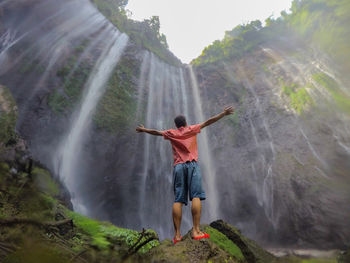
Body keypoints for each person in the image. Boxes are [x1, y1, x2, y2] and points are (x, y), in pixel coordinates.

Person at [136, 106, 235, 243]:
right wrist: (223, 114)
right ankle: (196, 231)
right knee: (195, 196)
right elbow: (208, 122)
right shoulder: (192, 129)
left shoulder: (171, 133)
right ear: (186, 123)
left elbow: (156, 132)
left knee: (178, 199)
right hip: (192, 165)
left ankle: (177, 235)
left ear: (176, 125)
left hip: (178, 167)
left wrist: (143, 129)